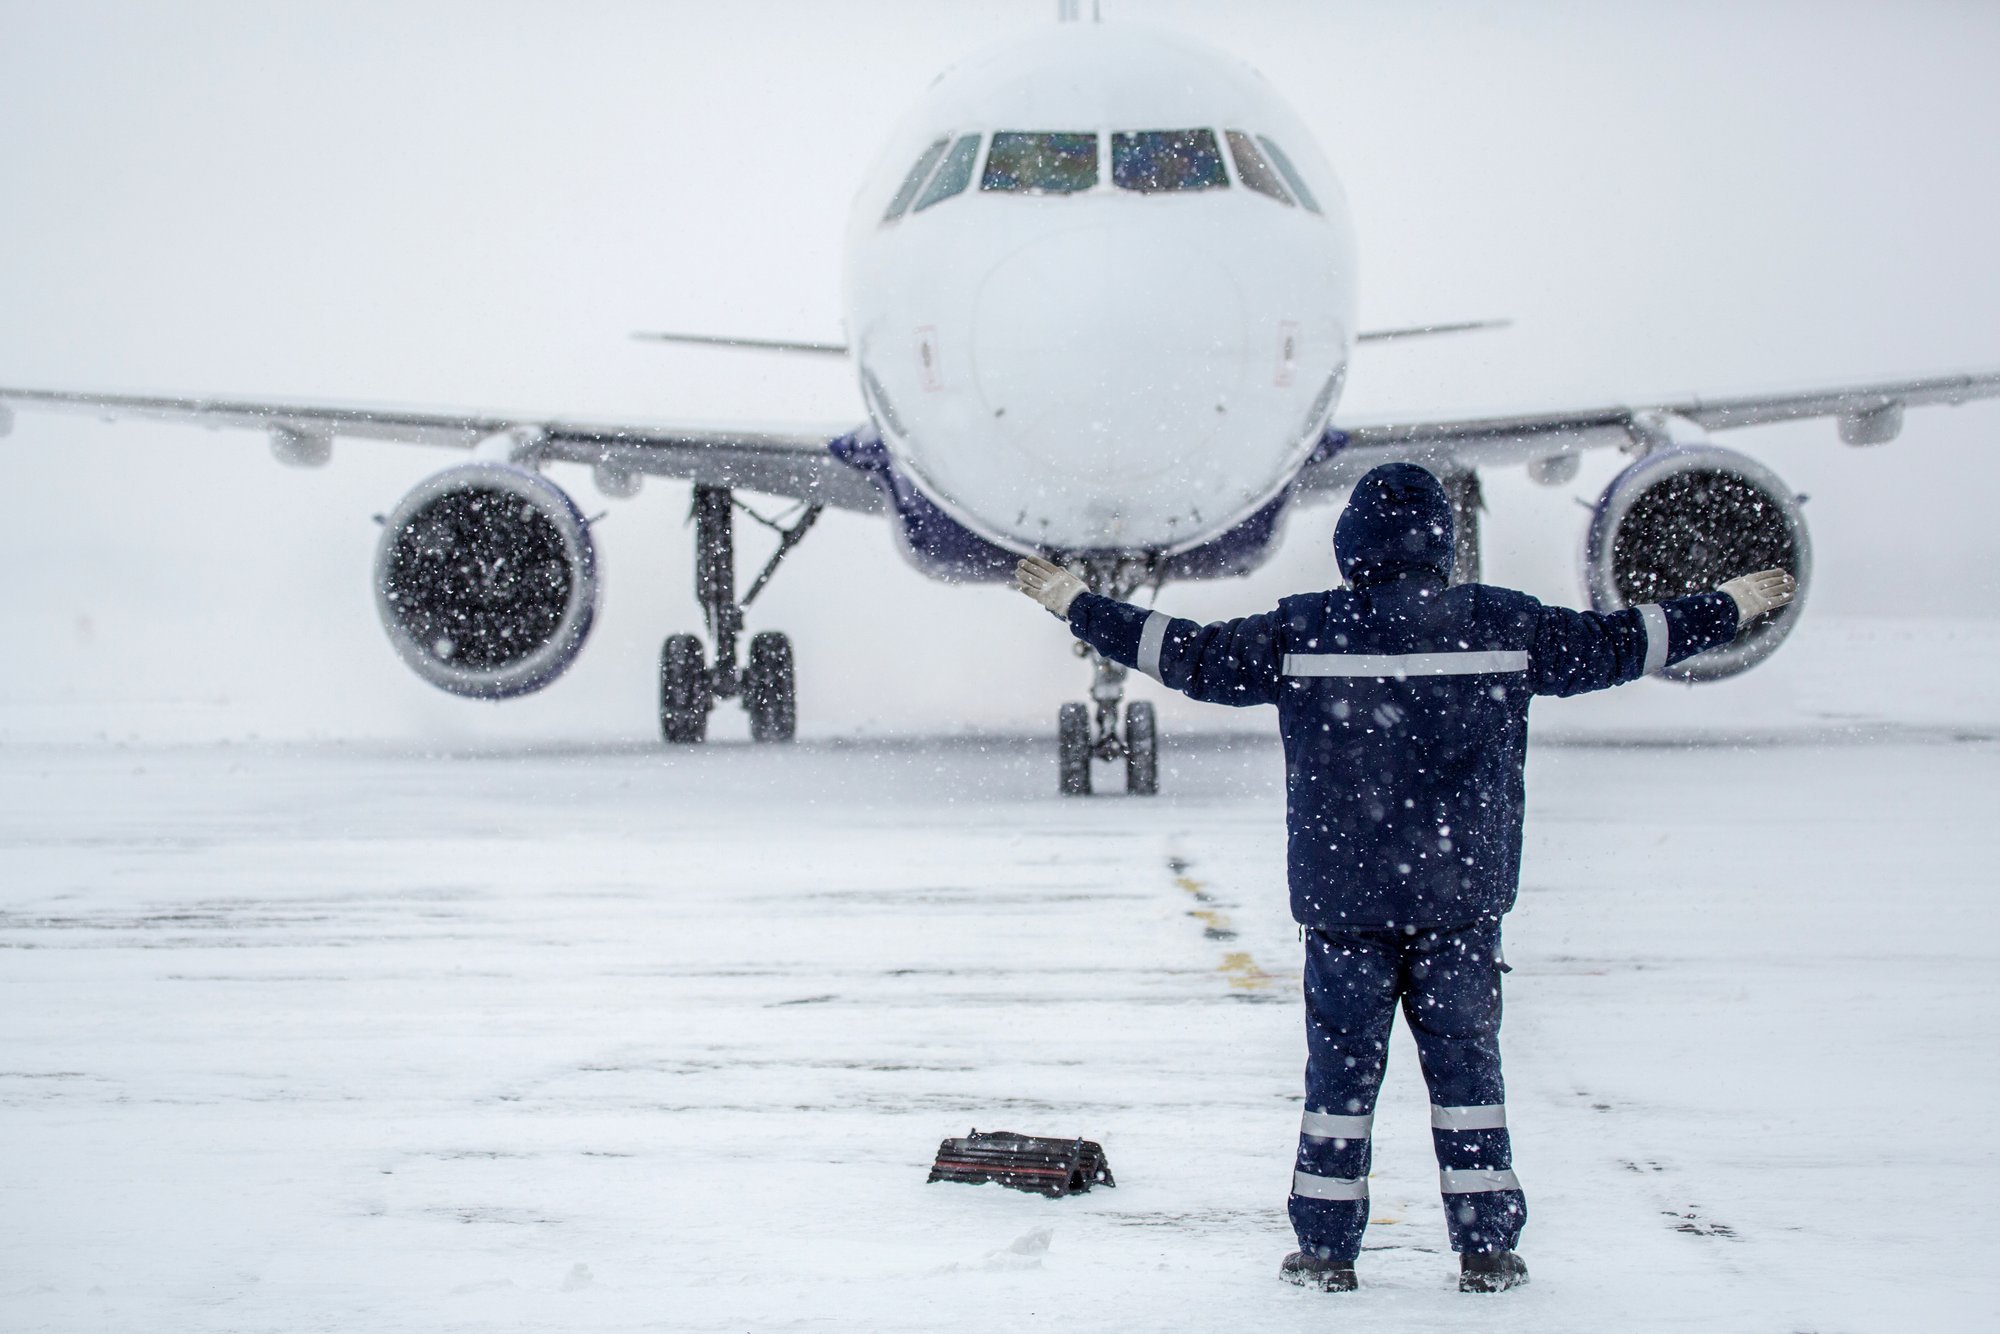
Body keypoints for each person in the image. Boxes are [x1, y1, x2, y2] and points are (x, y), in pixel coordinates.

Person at [1012, 462, 1794, 1295]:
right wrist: (1731, 604)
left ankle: (1324, 1252)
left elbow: (1190, 657)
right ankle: (1487, 1251)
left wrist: (1078, 605)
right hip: (1460, 904)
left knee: (1338, 1086)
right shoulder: (1501, 626)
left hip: (1346, 910)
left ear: (1352, 544)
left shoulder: (1305, 633)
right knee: (1469, 1082)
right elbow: (1622, 645)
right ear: (1441, 545)